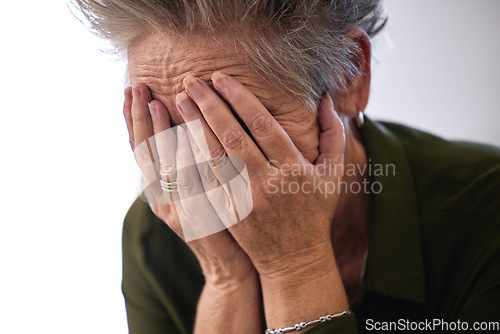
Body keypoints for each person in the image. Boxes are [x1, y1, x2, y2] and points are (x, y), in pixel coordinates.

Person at [72, 0, 500, 333]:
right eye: (169, 128)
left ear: (349, 74)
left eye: (231, 123)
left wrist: (296, 265)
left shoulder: (487, 214)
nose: (202, 171)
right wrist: (225, 278)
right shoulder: (156, 233)